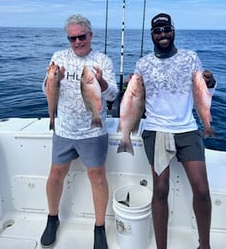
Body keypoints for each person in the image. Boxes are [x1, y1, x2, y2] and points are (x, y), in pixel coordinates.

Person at [134, 13, 216, 249]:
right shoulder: (143, 64)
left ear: (173, 31)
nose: (163, 35)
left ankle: (205, 245)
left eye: (166, 30)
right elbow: (137, 98)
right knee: (160, 189)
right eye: (158, 31)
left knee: (201, 188)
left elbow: (202, 92)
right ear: (152, 35)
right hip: (156, 129)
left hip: (187, 128)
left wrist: (210, 83)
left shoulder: (191, 58)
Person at [40, 14, 118, 249]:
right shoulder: (59, 57)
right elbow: (45, 88)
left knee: (97, 176)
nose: (77, 42)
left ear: (90, 35)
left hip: (93, 131)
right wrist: (54, 78)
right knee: (55, 174)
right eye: (72, 38)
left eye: (81, 37)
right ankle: (52, 218)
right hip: (64, 128)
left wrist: (102, 82)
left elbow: (113, 94)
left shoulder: (102, 60)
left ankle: (100, 227)